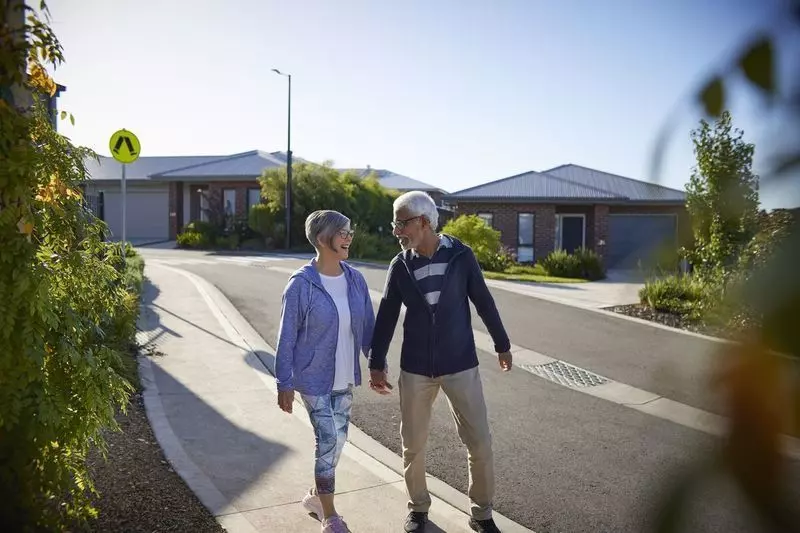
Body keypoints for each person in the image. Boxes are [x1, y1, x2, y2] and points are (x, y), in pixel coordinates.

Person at [368, 191, 512, 533]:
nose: (396, 231)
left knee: (479, 441)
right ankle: (418, 508)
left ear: (423, 221)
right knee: (413, 444)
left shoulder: (461, 256)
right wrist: (377, 361)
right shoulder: (400, 264)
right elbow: (387, 313)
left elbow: (483, 301)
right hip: (416, 368)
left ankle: (482, 513)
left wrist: (502, 343)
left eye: (401, 223)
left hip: (461, 363)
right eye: (395, 223)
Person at [275, 210, 375, 533]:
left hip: (344, 376)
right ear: (322, 239)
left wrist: (376, 363)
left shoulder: (355, 280)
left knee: (340, 440)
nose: (349, 237)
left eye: (350, 231)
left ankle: (316, 496)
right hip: (313, 378)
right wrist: (284, 381)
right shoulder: (301, 285)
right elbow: (286, 336)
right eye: (342, 232)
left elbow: (368, 328)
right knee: (328, 439)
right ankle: (330, 516)